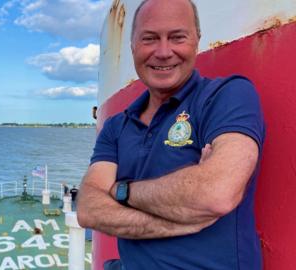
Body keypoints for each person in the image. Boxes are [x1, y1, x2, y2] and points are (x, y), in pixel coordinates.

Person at [76, 0, 265, 269]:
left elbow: (215, 194)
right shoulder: (116, 126)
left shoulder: (227, 96)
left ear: (196, 41)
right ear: (133, 47)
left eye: (177, 37)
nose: (163, 52)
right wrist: (175, 220)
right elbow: (88, 208)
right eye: (150, 38)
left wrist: (122, 191)